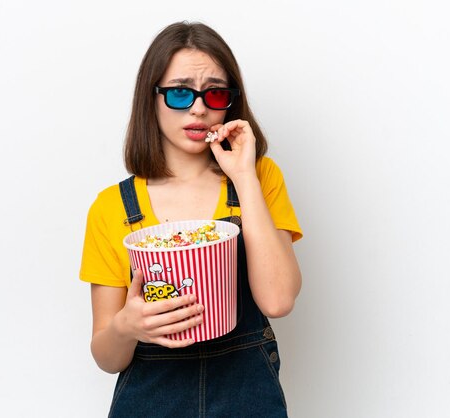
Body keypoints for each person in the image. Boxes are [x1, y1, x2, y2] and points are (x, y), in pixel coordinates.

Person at [79, 20, 303, 417]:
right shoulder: (112, 207)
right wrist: (126, 326)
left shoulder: (260, 178)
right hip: (151, 397)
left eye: (214, 93)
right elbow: (106, 356)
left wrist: (244, 175)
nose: (199, 107)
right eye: (180, 93)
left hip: (246, 393)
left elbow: (278, 299)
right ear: (151, 98)